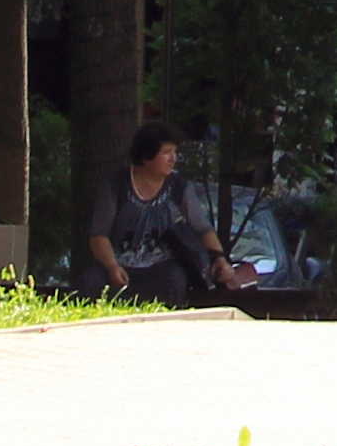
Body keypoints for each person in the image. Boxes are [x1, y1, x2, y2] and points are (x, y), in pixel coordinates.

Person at [84, 120, 257, 306]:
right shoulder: (115, 186)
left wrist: (219, 258)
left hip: (160, 267)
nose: (172, 159)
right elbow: (98, 234)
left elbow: (202, 228)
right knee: (91, 281)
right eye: (166, 153)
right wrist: (112, 266)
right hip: (118, 263)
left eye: (174, 152)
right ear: (146, 155)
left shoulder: (178, 187)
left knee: (175, 279)